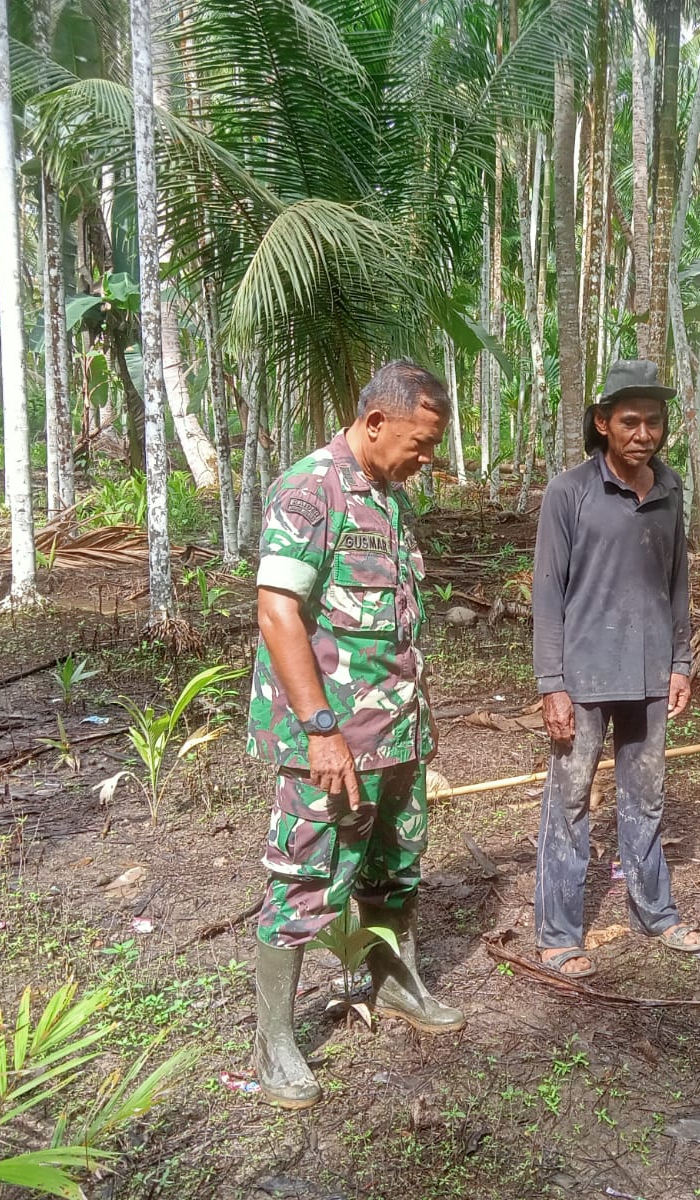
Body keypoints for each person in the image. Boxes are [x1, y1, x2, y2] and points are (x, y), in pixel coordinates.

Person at [246, 360, 463, 1111]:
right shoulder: (311, 490)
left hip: (396, 732)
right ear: (375, 422)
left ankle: (393, 979)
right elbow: (278, 614)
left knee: (394, 868)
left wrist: (420, 723)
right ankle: (274, 1041)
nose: (427, 459)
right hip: (332, 740)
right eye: (421, 442)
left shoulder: (392, 501)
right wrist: (321, 730)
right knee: (304, 881)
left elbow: (396, 626)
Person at [530, 359, 700, 979]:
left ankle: (654, 912)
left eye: (654, 422)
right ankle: (558, 933)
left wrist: (682, 662)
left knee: (647, 796)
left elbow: (678, 581)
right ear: (603, 423)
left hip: (651, 673)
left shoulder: (670, 488)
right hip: (582, 677)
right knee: (571, 800)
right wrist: (550, 684)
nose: (644, 434)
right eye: (629, 421)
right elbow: (548, 592)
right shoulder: (570, 492)